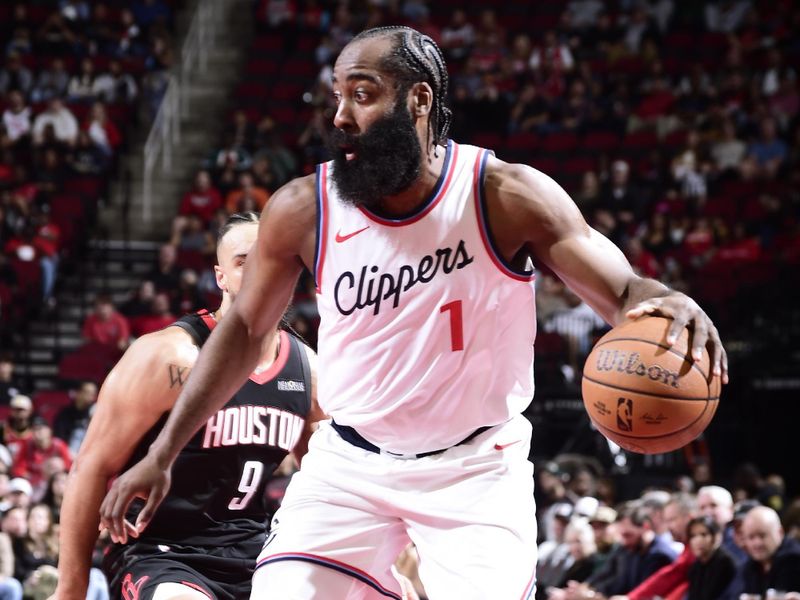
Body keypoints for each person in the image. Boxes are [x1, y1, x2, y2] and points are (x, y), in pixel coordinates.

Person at [100, 26, 727, 599]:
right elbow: (241, 330)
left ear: (419, 100)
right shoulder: (304, 209)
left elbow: (622, 290)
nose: (342, 115)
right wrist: (162, 454)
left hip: (474, 469)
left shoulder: (503, 195)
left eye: (363, 94)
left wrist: (661, 298)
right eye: (338, 96)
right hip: (349, 462)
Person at [55, 212, 324, 600]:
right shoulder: (168, 356)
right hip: (161, 552)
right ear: (221, 277)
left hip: (258, 551)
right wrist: (71, 589)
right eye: (244, 260)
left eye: (273, 256)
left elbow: (327, 475)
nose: (261, 268)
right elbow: (90, 468)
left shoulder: (307, 370)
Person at [740, 506, 800, 594]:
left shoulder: (794, 560)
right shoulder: (750, 565)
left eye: (762, 535)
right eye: (751, 537)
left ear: (780, 532)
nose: (757, 543)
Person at [685, 516, 736, 600]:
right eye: (693, 536)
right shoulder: (695, 568)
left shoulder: (726, 564)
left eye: (703, 534)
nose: (698, 540)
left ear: (716, 536)